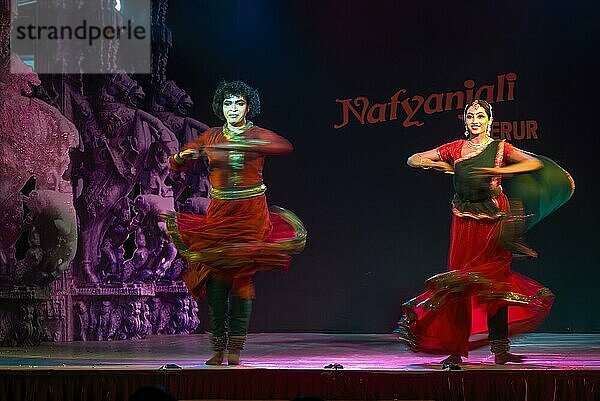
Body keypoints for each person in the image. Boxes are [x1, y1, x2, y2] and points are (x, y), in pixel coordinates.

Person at [396, 99, 573, 366]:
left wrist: (499, 170)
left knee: (495, 283)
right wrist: (435, 164)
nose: (475, 120)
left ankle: (500, 349)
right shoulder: (455, 148)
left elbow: (533, 164)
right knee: (459, 283)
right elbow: (412, 159)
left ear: (489, 120)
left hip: (494, 220)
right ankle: (455, 350)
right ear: (465, 121)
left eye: (480, 116)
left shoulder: (500, 147)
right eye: (470, 116)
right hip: (464, 221)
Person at [166, 80, 306, 365]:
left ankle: (236, 349)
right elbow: (175, 163)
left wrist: (250, 142)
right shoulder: (212, 136)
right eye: (228, 103)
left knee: (241, 277)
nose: (233, 108)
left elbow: (284, 145)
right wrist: (183, 156)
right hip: (220, 211)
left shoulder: (257, 133)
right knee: (215, 279)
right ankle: (218, 346)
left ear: (248, 106)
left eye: (239, 103)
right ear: (221, 107)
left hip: (251, 211)